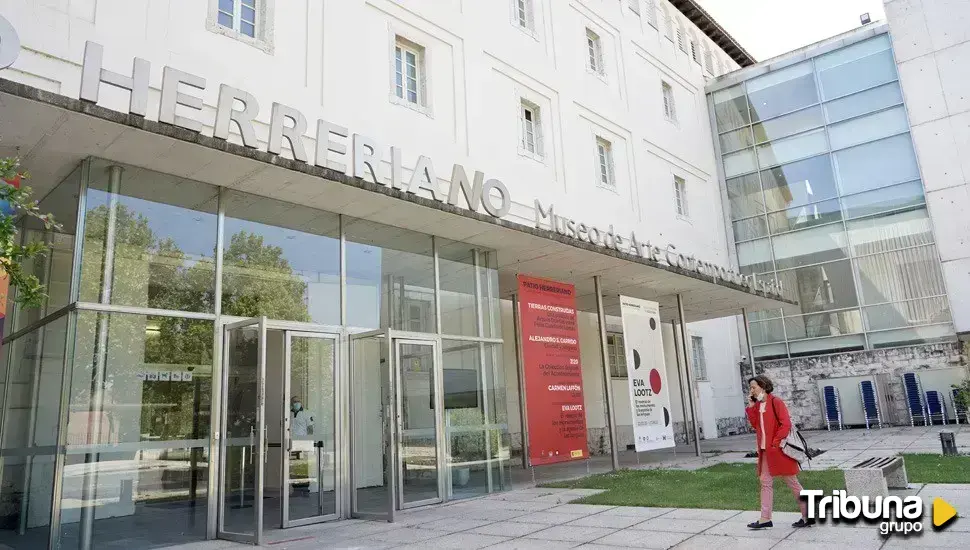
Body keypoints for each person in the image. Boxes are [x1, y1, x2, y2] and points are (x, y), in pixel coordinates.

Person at [745, 375, 813, 529]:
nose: (752, 391)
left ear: (763, 386)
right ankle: (765, 518)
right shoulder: (758, 405)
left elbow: (785, 424)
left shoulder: (776, 402)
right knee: (765, 482)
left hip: (779, 451)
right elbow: (756, 425)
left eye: (754, 387)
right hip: (765, 452)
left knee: (792, 482)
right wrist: (751, 407)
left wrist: (775, 443)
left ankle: (807, 516)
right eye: (751, 388)